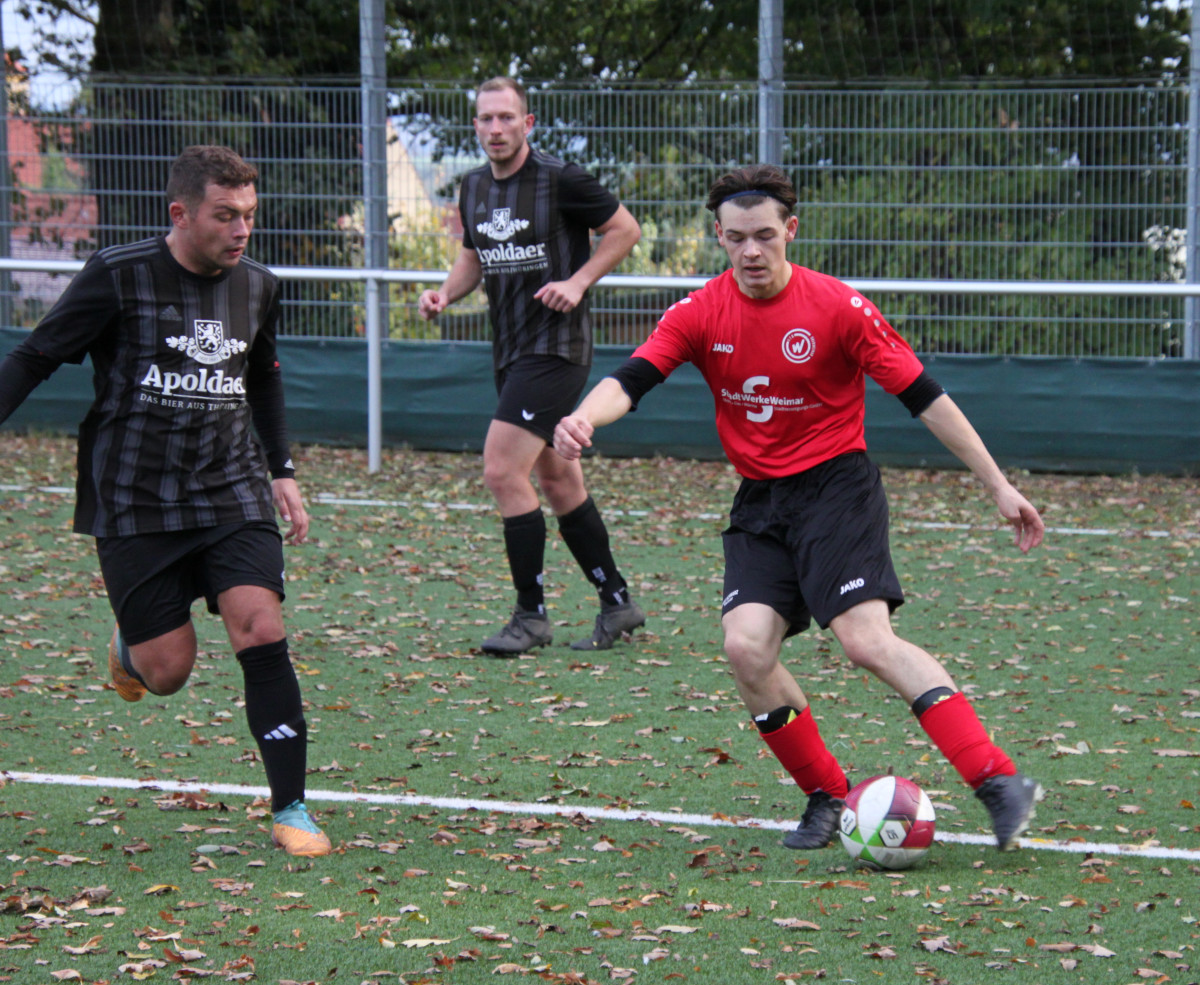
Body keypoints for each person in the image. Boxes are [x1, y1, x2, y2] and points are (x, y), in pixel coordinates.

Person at [554, 164, 1046, 852]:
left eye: (763, 236)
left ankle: (998, 781)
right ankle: (827, 796)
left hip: (836, 489)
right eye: (735, 238)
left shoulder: (838, 308)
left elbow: (926, 397)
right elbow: (632, 378)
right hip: (761, 500)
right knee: (745, 646)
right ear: (718, 237)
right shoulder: (700, 312)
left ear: (790, 230)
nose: (750, 251)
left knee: (865, 640)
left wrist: (997, 483)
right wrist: (585, 418)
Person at [0, 145, 331, 858]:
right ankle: (130, 643)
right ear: (180, 213)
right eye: (225, 215)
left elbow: (264, 378)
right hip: (135, 497)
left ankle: (292, 807)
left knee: (261, 627)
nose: (242, 229)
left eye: (249, 214)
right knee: (167, 671)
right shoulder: (118, 278)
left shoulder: (258, 286)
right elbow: (35, 356)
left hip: (230, 489)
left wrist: (281, 468)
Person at [418, 76, 646, 656]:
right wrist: (445, 294)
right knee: (557, 477)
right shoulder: (472, 189)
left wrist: (577, 281)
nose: (496, 128)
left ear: (528, 123)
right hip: (511, 351)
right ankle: (616, 601)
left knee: (500, 470)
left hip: (556, 349)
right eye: (486, 119)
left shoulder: (560, 179)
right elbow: (473, 257)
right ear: (476, 126)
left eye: (506, 118)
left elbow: (625, 229)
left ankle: (531, 615)